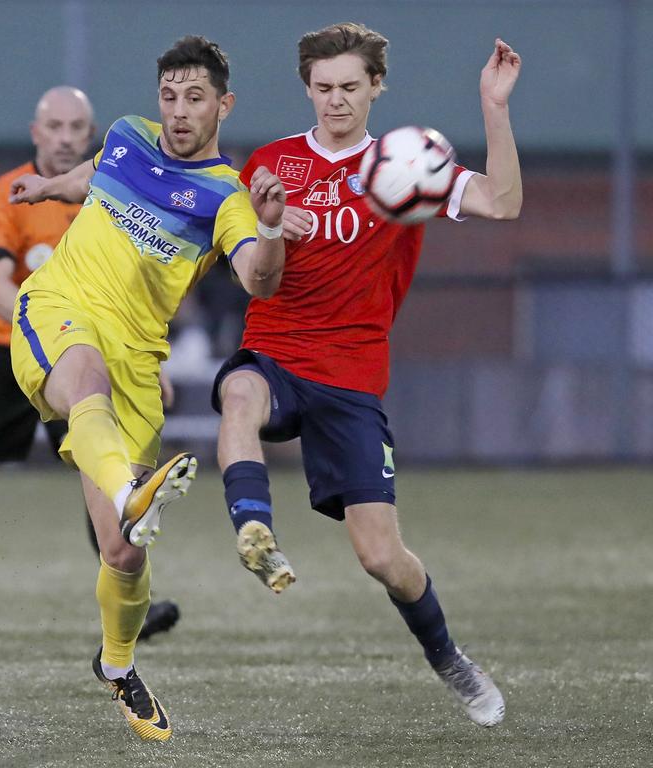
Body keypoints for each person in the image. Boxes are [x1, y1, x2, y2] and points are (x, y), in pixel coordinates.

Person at [212, 24, 522, 728]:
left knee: (383, 558)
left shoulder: (404, 163)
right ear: (306, 88)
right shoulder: (272, 164)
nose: (336, 101)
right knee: (237, 392)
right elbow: (257, 289)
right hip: (278, 351)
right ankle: (254, 530)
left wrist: (493, 106)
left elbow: (503, 204)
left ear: (377, 86)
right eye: (323, 88)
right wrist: (267, 229)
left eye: (351, 87)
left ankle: (448, 656)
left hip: (352, 380)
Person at [9, 37, 287, 741]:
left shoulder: (228, 195)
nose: (178, 111)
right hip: (57, 307)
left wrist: (275, 227)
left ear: (224, 104)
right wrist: (47, 187)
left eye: (195, 98)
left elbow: (258, 276)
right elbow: (94, 175)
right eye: (170, 96)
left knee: (124, 555)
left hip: (137, 360)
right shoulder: (130, 133)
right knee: (82, 377)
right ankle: (134, 495)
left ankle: (117, 665)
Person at [0, 87, 182, 643]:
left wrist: (146, 357)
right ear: (35, 132)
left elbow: (131, 289)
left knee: (103, 471)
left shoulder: (109, 195)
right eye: (53, 126)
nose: (63, 137)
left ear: (91, 134)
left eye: (75, 127)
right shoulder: (6, 196)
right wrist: (55, 329)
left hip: (88, 354)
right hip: (0, 351)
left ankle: (129, 599)